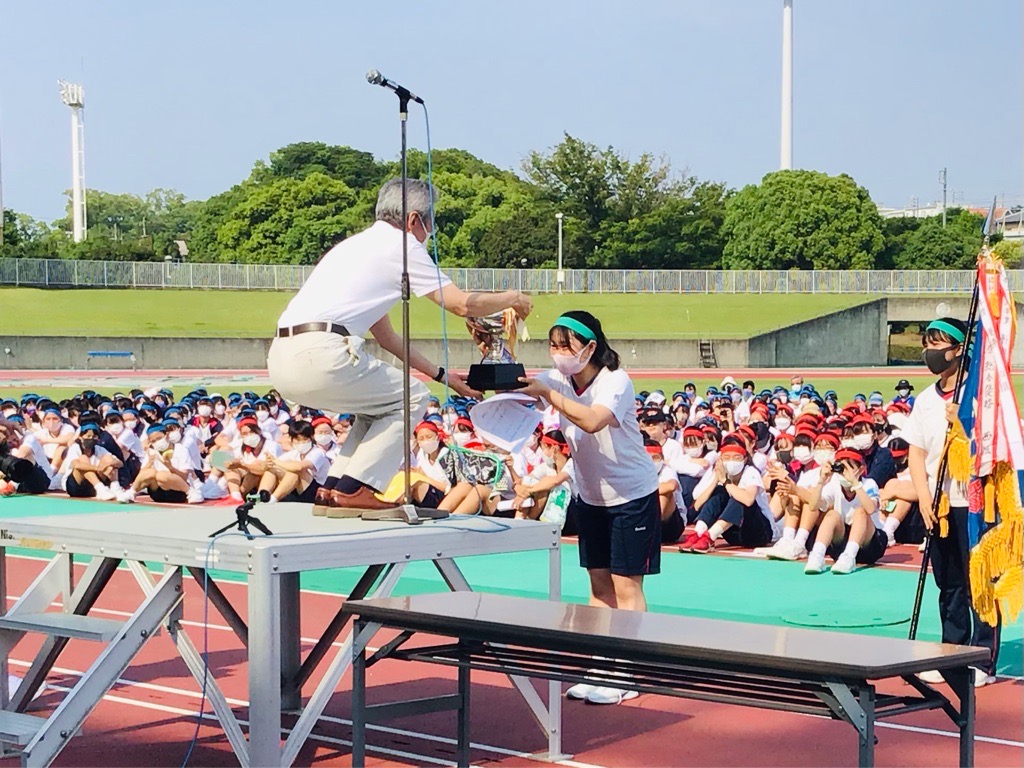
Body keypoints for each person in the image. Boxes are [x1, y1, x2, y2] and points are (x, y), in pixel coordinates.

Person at [267, 178, 531, 514]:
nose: (430, 231)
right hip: (322, 351)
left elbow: (388, 338)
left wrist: (443, 376)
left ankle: (334, 489)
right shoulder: (404, 247)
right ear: (413, 220)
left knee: (380, 405)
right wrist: (513, 298)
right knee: (412, 397)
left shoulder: (351, 247)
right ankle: (356, 489)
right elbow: (461, 304)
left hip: (283, 355)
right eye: (431, 221)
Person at [518, 310, 659, 706]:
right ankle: (601, 665)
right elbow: (517, 387)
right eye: (553, 346)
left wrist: (549, 394)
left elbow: (594, 420)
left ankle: (625, 670)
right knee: (599, 589)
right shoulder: (556, 379)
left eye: (567, 346)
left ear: (591, 347)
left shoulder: (616, 382)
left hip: (631, 496)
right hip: (591, 497)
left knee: (626, 587)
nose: (559, 354)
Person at [902, 318, 1000, 688]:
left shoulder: (977, 395)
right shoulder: (926, 400)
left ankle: (982, 657)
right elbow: (916, 452)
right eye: (928, 344)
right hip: (940, 500)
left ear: (958, 349)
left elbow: (991, 445)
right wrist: (924, 497)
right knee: (949, 582)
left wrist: (963, 423)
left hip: (973, 499)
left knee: (978, 580)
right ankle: (952, 649)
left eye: (939, 344)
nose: (932, 352)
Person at [802, 448, 886, 575]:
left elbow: (870, 508)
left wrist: (855, 483)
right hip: (842, 542)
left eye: (849, 467)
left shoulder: (869, 484)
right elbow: (813, 506)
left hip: (869, 544)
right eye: (841, 468)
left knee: (860, 512)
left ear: (861, 469)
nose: (844, 473)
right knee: (831, 514)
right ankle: (817, 555)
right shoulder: (833, 484)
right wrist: (821, 482)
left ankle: (849, 557)